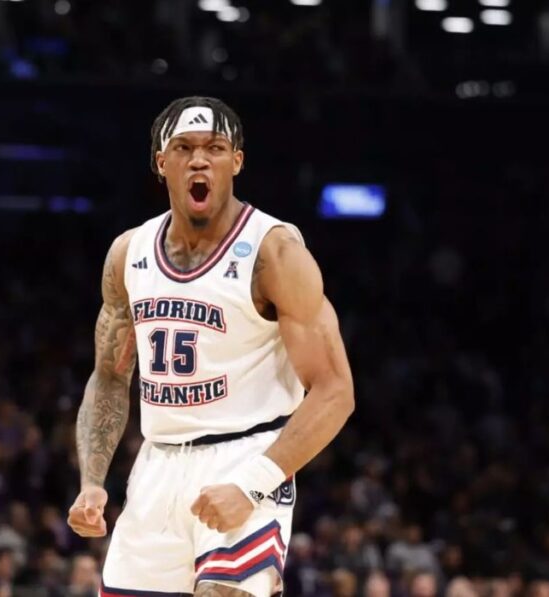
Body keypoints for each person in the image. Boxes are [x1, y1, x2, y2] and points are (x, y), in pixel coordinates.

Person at [67, 96, 355, 597]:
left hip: (245, 455)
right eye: (184, 147)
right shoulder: (128, 252)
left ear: (236, 161)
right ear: (161, 163)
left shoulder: (275, 252)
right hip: (157, 464)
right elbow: (111, 376)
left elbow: (335, 391)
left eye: (215, 147)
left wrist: (253, 483)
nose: (200, 160)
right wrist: (93, 479)